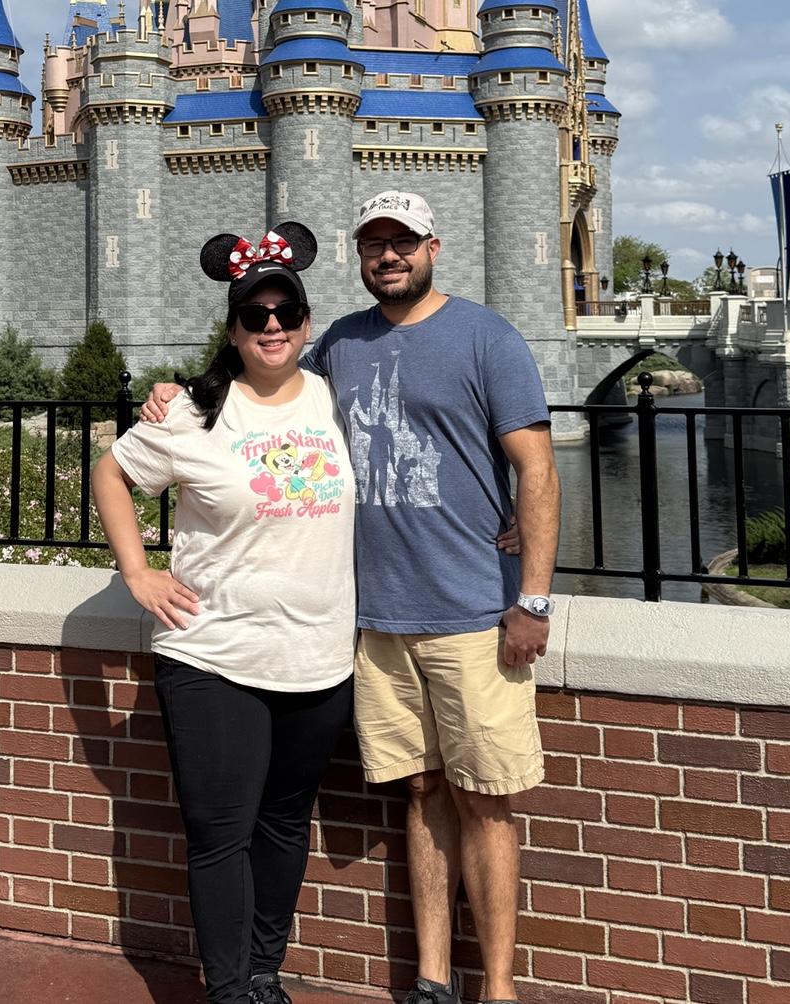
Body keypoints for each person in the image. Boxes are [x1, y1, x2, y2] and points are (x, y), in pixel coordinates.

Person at [146, 190, 560, 1004]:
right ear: (357, 255)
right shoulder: (341, 344)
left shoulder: (487, 336)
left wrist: (534, 597)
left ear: (433, 246)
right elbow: (265, 377)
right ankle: (433, 980)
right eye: (374, 243)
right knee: (422, 790)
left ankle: (500, 989)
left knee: (486, 799)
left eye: (402, 241)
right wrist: (176, 389)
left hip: (475, 611)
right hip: (373, 622)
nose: (388, 256)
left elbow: (537, 469)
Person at [94, 223, 356, 1004]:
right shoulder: (191, 412)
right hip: (214, 657)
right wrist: (137, 571)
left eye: (284, 312)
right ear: (234, 329)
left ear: (306, 323)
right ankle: (230, 988)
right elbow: (110, 473)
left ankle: (266, 971)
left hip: (319, 658)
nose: (271, 325)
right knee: (220, 837)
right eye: (254, 315)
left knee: (284, 826)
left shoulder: (334, 393)